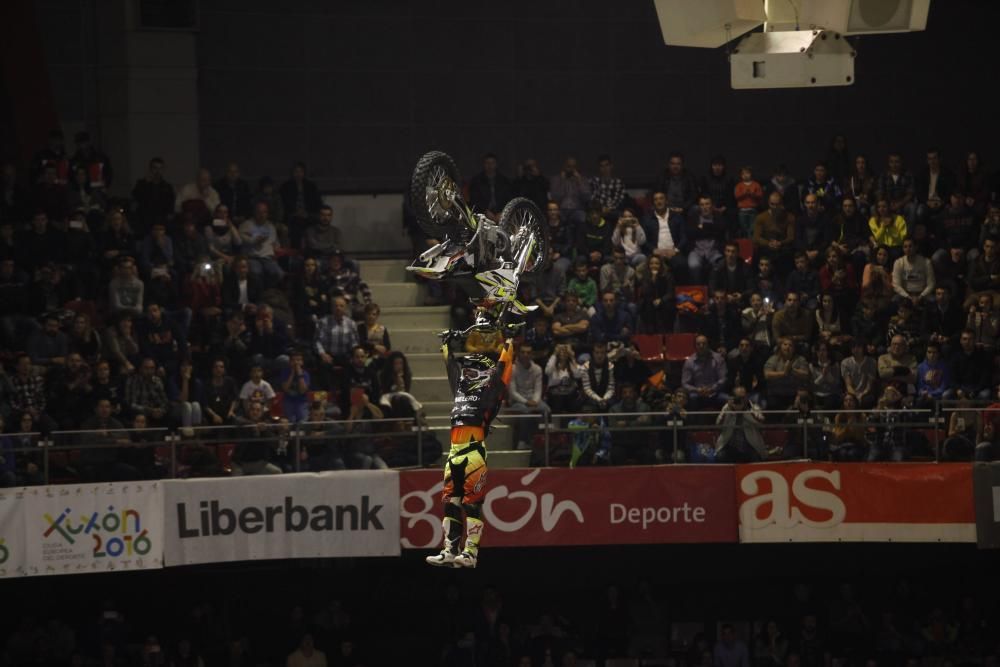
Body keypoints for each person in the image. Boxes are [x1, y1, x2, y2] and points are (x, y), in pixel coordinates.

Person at [426, 320, 516, 570]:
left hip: (474, 450)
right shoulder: (460, 389)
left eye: (474, 369)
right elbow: (450, 367)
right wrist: (445, 345)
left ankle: (471, 553)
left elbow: (503, 368)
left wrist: (508, 341)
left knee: (470, 503)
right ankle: (449, 550)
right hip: (453, 452)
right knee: (450, 502)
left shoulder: (490, 391)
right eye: (468, 369)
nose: (468, 372)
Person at [506, 343, 548, 451]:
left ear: (532, 355)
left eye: (528, 353)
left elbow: (538, 389)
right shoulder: (512, 369)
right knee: (526, 412)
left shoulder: (537, 369)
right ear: (518, 354)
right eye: (523, 352)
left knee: (546, 410)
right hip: (517, 402)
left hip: (533, 400)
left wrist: (535, 400)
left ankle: (545, 441)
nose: (525, 355)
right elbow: (513, 392)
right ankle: (522, 441)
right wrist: (526, 402)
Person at [714, 386, 765, 463]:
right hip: (729, 446)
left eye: (743, 397)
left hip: (750, 446)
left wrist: (744, 411)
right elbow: (719, 425)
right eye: (738, 397)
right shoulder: (727, 408)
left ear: (747, 397)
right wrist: (730, 410)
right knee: (720, 457)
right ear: (733, 397)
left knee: (756, 458)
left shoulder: (753, 407)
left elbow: (761, 423)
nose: (740, 400)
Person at [681, 334, 727, 410]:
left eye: (704, 343)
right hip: (697, 394)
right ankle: (694, 422)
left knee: (727, 399)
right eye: (698, 344)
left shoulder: (718, 359)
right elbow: (685, 383)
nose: (701, 346)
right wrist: (697, 390)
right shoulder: (689, 362)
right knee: (691, 399)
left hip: (715, 393)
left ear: (708, 344)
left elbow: (723, 379)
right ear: (695, 346)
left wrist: (712, 389)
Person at [829, 393, 868, 461]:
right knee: (842, 453)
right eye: (846, 400)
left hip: (857, 444)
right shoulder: (839, 416)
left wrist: (855, 426)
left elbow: (861, 437)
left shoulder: (861, 416)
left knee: (852, 454)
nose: (848, 402)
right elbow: (838, 437)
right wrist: (847, 426)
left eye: (851, 400)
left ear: (855, 403)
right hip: (842, 444)